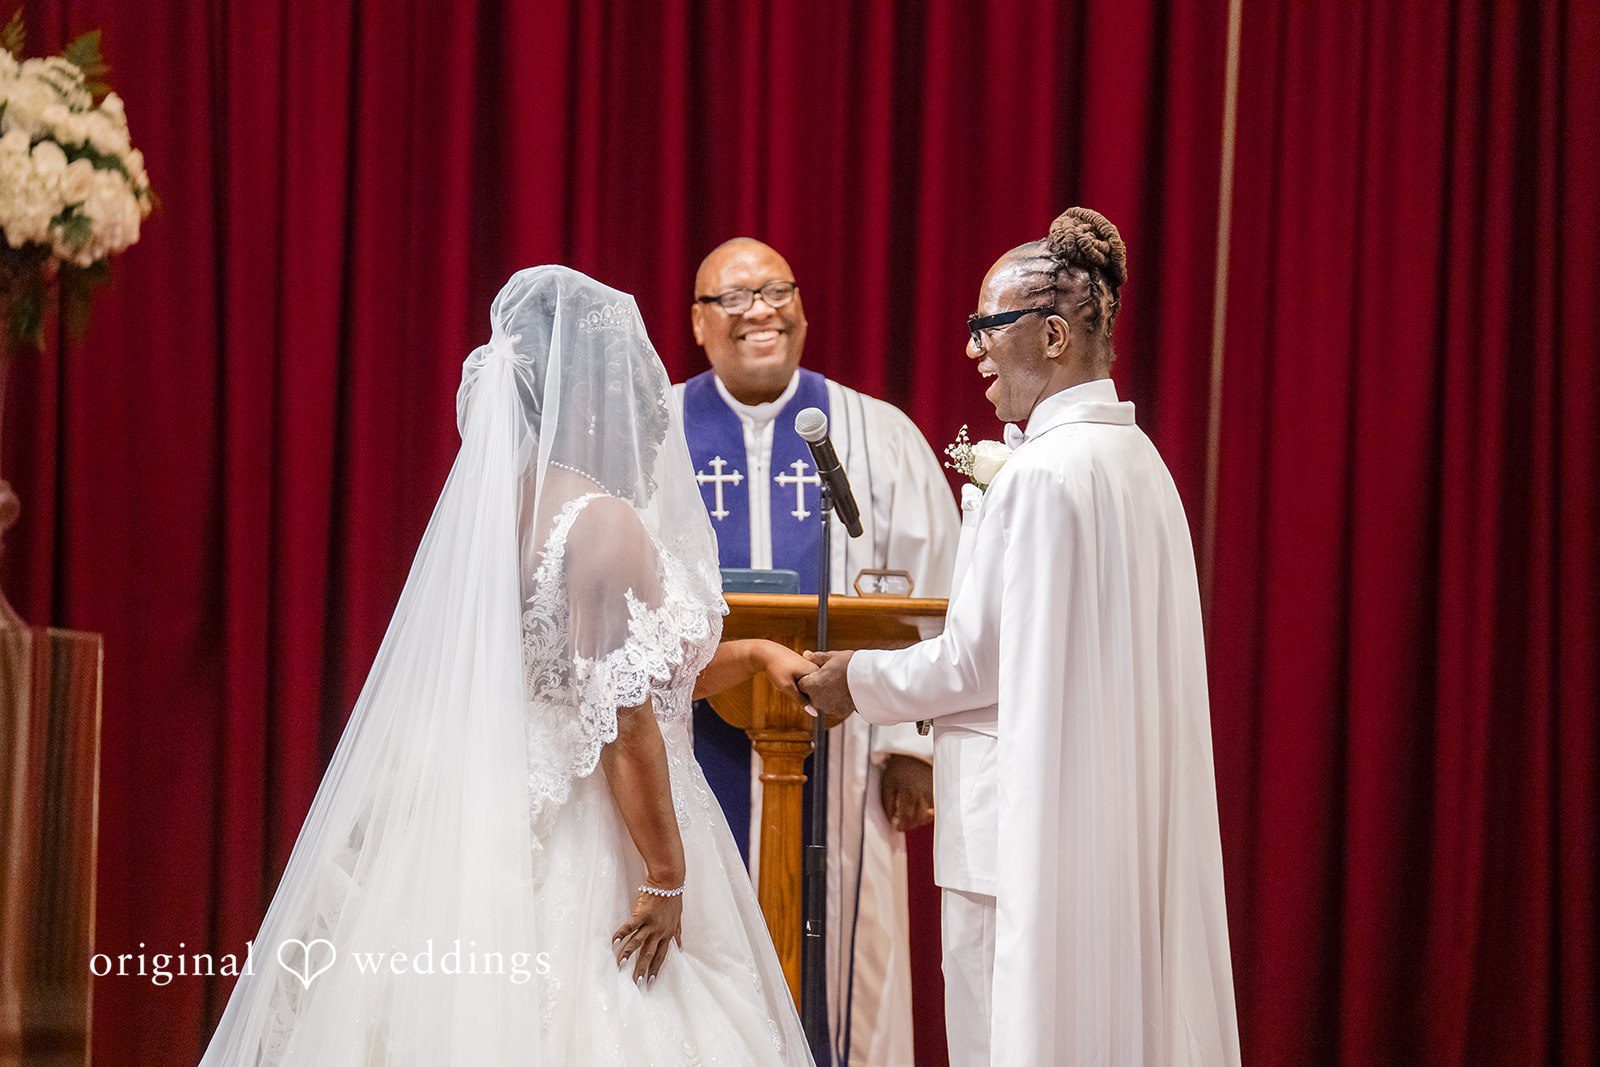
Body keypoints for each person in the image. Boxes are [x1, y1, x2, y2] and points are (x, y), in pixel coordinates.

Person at [201, 267, 818, 1065]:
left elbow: (622, 676)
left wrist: (756, 654)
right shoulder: (605, 522)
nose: (657, 420)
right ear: (595, 399)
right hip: (598, 834)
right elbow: (624, 723)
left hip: (494, 810)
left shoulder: (510, 504)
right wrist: (667, 876)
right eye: (643, 395)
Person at [799, 209, 1240, 1066]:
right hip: (1110, 817)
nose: (972, 351)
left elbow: (979, 659)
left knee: (1015, 1035)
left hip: (1021, 831)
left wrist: (858, 681)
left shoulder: (1042, 475)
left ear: (1050, 333)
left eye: (984, 327)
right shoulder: (1140, 463)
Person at [674, 238, 958, 1066]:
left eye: (776, 291)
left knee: (847, 972)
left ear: (803, 307)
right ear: (698, 323)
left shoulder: (877, 436)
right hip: (691, 749)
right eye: (733, 298)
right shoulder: (656, 431)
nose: (760, 310)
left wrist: (915, 743)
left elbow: (939, 580)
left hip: (850, 758)